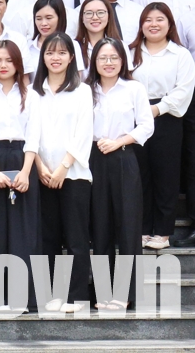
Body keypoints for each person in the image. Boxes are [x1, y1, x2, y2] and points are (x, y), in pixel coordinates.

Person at [30, 32, 94, 312]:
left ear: (71, 58)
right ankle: (52, 294)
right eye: (50, 53)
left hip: (74, 175)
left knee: (76, 238)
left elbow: (84, 132)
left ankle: (77, 295)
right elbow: (30, 133)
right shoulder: (33, 93)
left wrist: (63, 167)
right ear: (42, 58)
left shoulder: (82, 91)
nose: (55, 58)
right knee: (48, 239)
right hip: (42, 174)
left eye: (61, 53)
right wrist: (41, 167)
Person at [88, 37, 153, 310]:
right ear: (94, 61)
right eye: (103, 58)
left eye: (114, 57)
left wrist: (119, 141)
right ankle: (103, 291)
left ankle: (125, 293)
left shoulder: (133, 88)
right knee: (100, 227)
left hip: (124, 157)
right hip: (93, 159)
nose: (109, 62)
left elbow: (146, 125)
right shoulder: (85, 90)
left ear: (123, 60)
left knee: (128, 226)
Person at [0, 40, 40, 297]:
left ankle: (23, 295)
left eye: (9, 60)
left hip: (23, 159)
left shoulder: (30, 95)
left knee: (23, 229)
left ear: (18, 64)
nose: (3, 65)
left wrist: (26, 172)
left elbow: (34, 134)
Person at [130, 2, 195, 252]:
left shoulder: (180, 54)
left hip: (167, 116)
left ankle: (163, 231)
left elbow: (184, 91)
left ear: (169, 24)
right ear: (141, 25)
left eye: (159, 19)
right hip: (135, 116)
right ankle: (143, 228)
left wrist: (156, 109)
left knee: (165, 174)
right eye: (148, 20)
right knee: (140, 174)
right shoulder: (130, 51)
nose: (153, 24)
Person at [76, 0, 121, 69]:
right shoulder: (74, 46)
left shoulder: (121, 46)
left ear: (109, 16)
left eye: (100, 13)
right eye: (89, 13)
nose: (95, 17)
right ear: (82, 18)